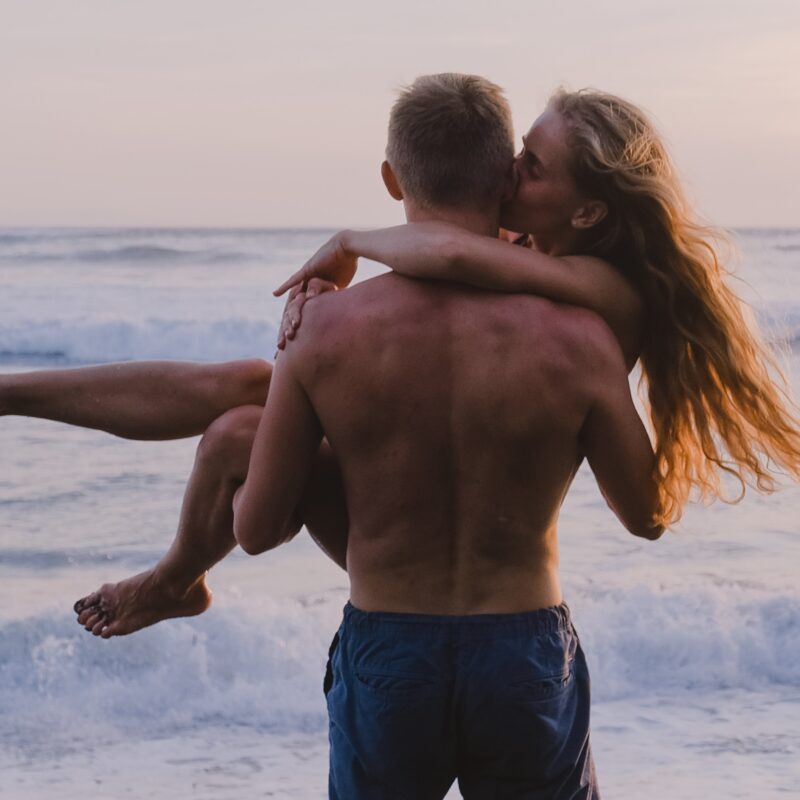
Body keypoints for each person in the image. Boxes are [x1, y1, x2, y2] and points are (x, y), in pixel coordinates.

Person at [0, 76, 796, 635]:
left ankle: (171, 578)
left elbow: (452, 258)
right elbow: (457, 256)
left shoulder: (602, 289)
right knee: (252, 387)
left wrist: (350, 244)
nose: (515, 169)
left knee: (247, 423)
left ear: (588, 209)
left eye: (533, 165)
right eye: (517, 152)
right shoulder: (544, 265)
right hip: (468, 566)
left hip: (417, 562)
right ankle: (16, 399)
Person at [231, 71, 660, 797]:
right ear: (503, 178)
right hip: (522, 650)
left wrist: (240, 458)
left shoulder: (320, 330)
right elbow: (647, 515)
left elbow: (257, 529)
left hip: (391, 647)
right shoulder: (581, 338)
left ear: (393, 179)